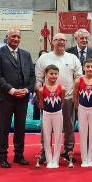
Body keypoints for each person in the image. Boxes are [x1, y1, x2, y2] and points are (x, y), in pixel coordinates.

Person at [36, 33, 82, 164]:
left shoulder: (72, 58)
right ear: (53, 42)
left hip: (67, 98)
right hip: (47, 99)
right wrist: (39, 98)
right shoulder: (44, 58)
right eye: (58, 40)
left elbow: (79, 78)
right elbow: (38, 79)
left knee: (69, 126)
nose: (61, 42)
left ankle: (68, 151)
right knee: (46, 127)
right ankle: (45, 152)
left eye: (63, 40)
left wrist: (75, 96)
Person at [0, 28, 35, 168]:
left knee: (20, 128)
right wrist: (11, 90)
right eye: (13, 36)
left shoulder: (26, 55)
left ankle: (18, 155)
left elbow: (32, 75)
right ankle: (3, 156)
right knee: (3, 128)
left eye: (18, 36)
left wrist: (27, 89)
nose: (16, 39)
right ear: (7, 37)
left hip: (22, 97)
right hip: (6, 98)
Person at [73, 58, 92, 167]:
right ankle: (84, 158)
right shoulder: (78, 81)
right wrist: (78, 107)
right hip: (82, 108)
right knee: (83, 133)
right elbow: (75, 97)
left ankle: (90, 158)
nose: (90, 69)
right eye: (88, 67)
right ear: (83, 68)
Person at [37, 65, 66, 169]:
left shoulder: (62, 88)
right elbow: (40, 104)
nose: (54, 76)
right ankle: (49, 160)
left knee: (58, 137)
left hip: (58, 113)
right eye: (51, 74)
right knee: (46, 137)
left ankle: (56, 160)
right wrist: (47, 113)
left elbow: (62, 102)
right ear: (46, 74)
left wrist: (57, 111)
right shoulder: (41, 90)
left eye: (56, 74)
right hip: (46, 114)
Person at [32, 50, 48, 121]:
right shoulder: (36, 67)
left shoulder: (52, 68)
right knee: (36, 102)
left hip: (50, 90)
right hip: (40, 90)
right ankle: (36, 119)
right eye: (42, 56)